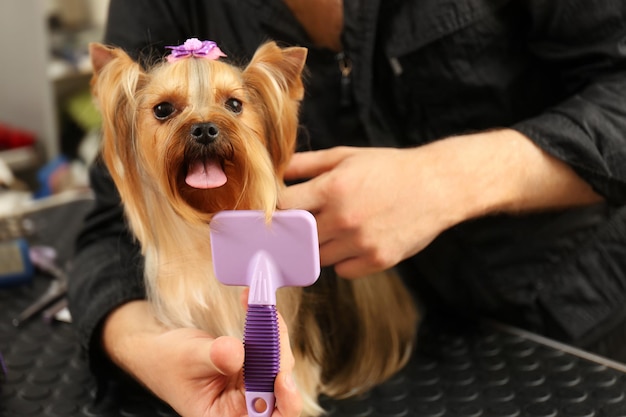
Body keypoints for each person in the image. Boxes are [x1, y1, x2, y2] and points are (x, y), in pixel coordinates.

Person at [68, 1, 626, 416]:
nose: (206, 123)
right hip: (355, 332)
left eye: (233, 105)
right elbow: (105, 226)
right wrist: (143, 347)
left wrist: (448, 179)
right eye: (165, 110)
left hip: (571, 313)